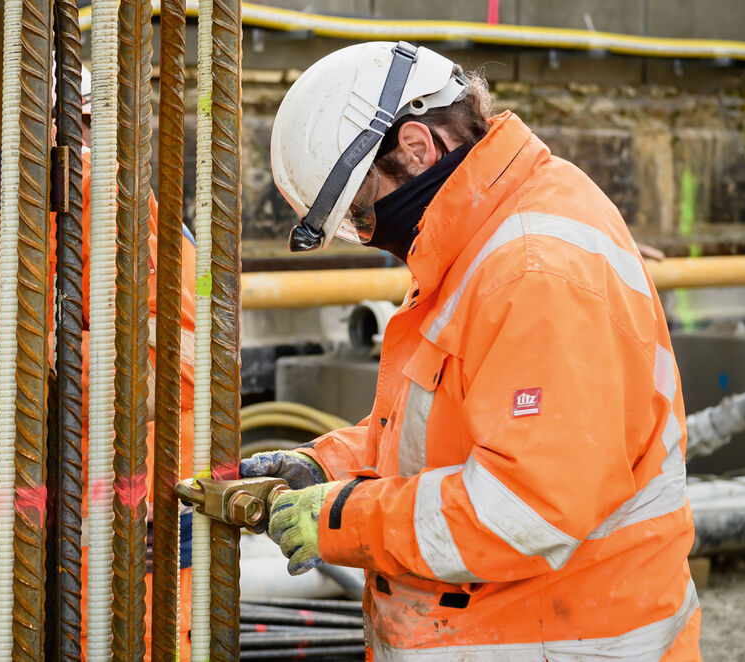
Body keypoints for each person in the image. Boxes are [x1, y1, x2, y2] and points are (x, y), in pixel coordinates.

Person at [242, 41, 699, 659]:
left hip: (555, 641)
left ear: (416, 148)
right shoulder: (486, 237)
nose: (371, 233)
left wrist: (344, 516)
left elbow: (524, 509)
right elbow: (449, 431)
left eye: (362, 210)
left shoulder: (531, 270)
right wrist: (331, 467)